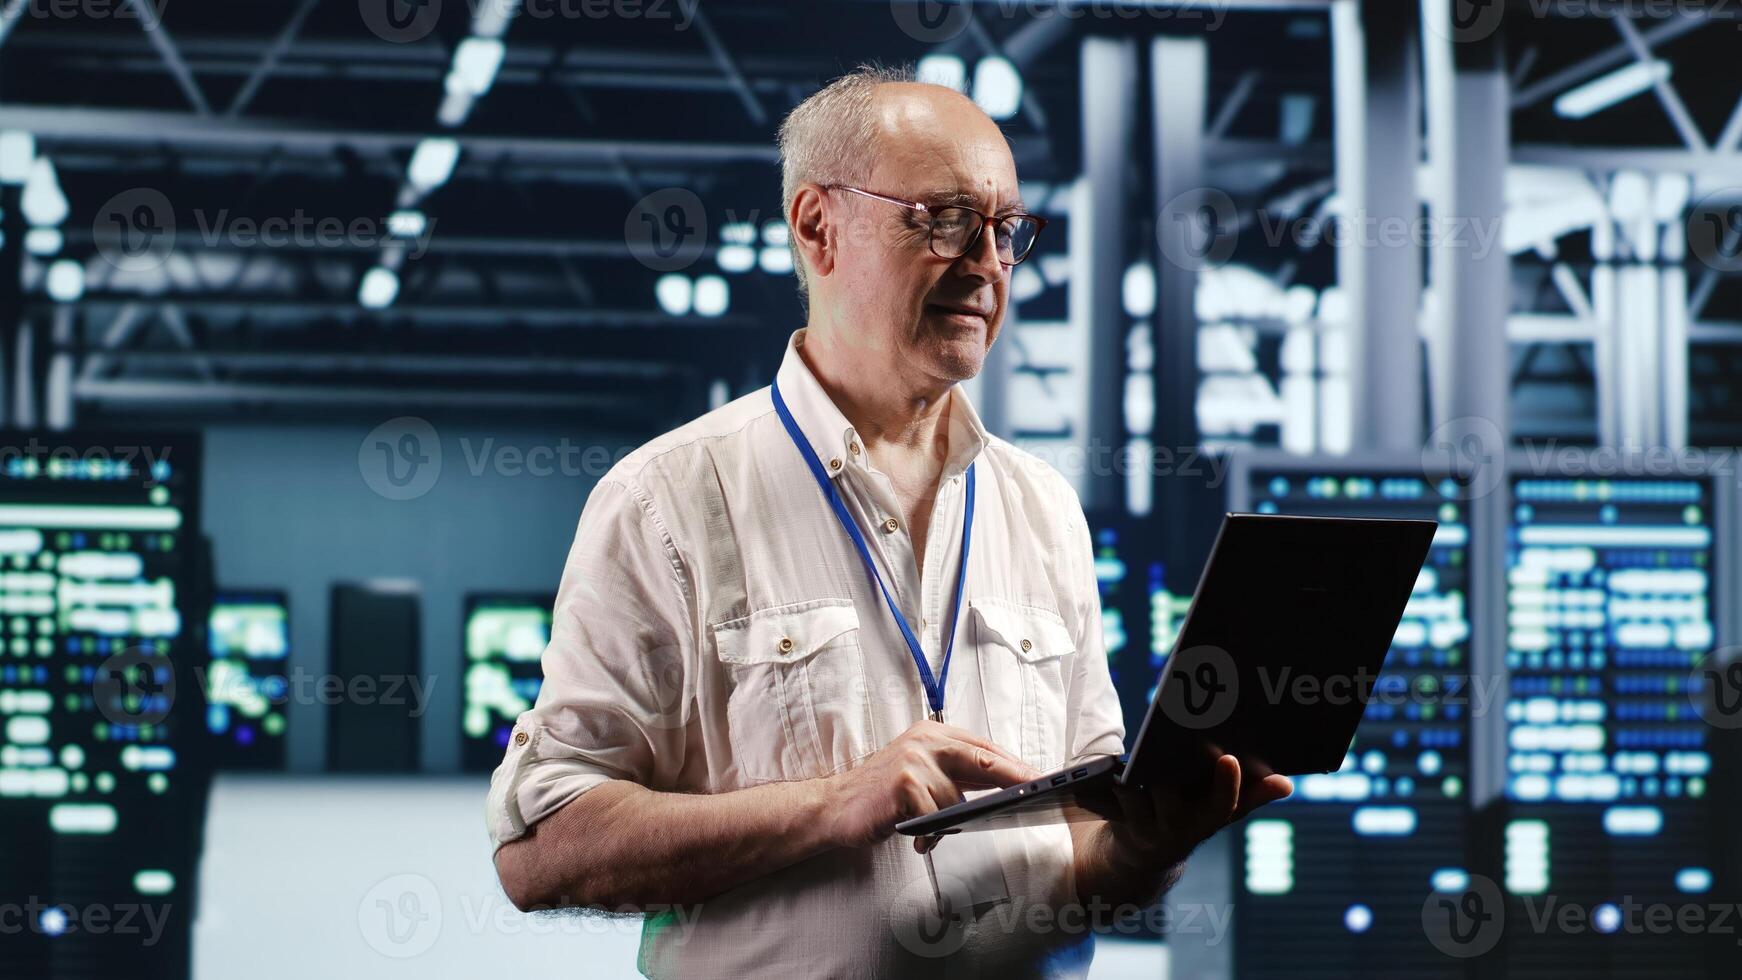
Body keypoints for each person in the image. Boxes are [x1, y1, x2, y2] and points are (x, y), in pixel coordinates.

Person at [487, 63, 1292, 977]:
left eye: (1007, 230)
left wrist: (1148, 847)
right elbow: (540, 844)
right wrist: (834, 804)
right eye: (945, 220)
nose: (987, 263)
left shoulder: (1041, 509)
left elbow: (1081, 846)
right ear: (818, 227)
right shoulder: (667, 500)